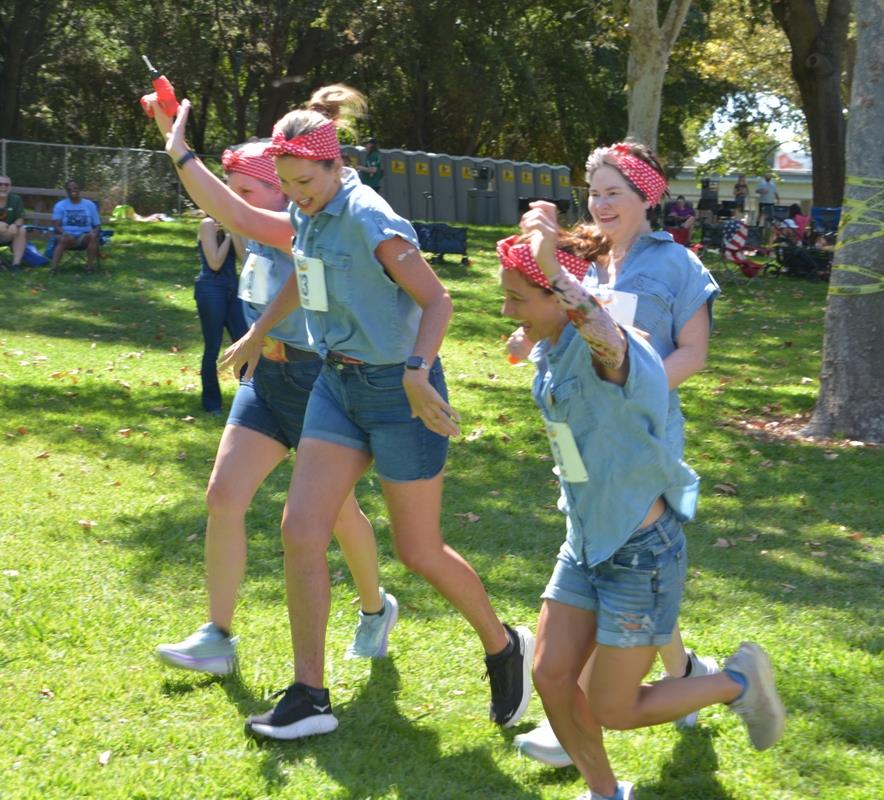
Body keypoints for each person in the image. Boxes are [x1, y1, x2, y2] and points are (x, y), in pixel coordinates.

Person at [152, 85, 532, 741]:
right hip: (337, 384)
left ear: (335, 166)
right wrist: (178, 149)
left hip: (399, 391)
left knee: (418, 550)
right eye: (286, 185)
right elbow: (248, 224)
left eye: (304, 182)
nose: (295, 196)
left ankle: (504, 646)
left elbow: (437, 301)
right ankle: (309, 695)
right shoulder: (313, 214)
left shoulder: (369, 218)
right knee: (301, 529)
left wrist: (417, 372)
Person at [497, 226, 785, 800]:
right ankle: (606, 794)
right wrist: (529, 336)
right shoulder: (556, 343)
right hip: (585, 543)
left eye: (516, 298)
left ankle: (737, 683)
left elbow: (600, 332)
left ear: (559, 296)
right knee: (551, 676)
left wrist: (552, 271)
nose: (506, 309)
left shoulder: (612, 349)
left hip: (640, 554)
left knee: (615, 708)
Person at [511, 141, 720, 770]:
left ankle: (580, 709)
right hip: (583, 434)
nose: (600, 205)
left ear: (645, 196)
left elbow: (694, 353)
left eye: (614, 193)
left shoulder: (678, 265)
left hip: (642, 433)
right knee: (613, 548)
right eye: (595, 193)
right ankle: (687, 672)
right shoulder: (586, 258)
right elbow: (555, 314)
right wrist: (526, 336)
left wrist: (635, 389)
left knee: (622, 548)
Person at [155, 139, 393, 677]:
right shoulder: (257, 231)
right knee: (223, 496)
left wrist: (258, 331)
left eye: (247, 191)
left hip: (315, 382)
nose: (235, 202)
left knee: (339, 514)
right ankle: (217, 637)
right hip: (265, 377)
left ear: (280, 190)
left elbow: (294, 279)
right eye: (234, 190)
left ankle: (375, 609)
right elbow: (230, 219)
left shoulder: (299, 226)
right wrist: (174, 140)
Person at [193, 216, 248, 415]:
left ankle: (249, 398)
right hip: (211, 288)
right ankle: (211, 403)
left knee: (245, 343)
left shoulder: (233, 223)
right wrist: (228, 237)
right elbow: (215, 263)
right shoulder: (207, 224)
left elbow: (245, 259)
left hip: (234, 288)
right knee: (213, 347)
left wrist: (234, 231)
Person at [50, 180, 101, 272]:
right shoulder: (60, 205)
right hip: (67, 236)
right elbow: (56, 226)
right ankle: (53, 269)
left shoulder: (90, 205)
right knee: (63, 238)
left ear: (79, 189)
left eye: (75, 188)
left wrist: (94, 232)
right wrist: (65, 233)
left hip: (84, 236)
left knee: (92, 237)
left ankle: (89, 267)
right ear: (66, 191)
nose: (72, 191)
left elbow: (97, 225)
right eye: (69, 189)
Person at [0, 176, 27, 273]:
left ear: (10, 187)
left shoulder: (15, 199)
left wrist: (15, 225)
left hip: (7, 233)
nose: (3, 186)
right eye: (0, 184)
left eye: (6, 184)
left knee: (22, 230)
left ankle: (16, 265)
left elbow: (20, 217)